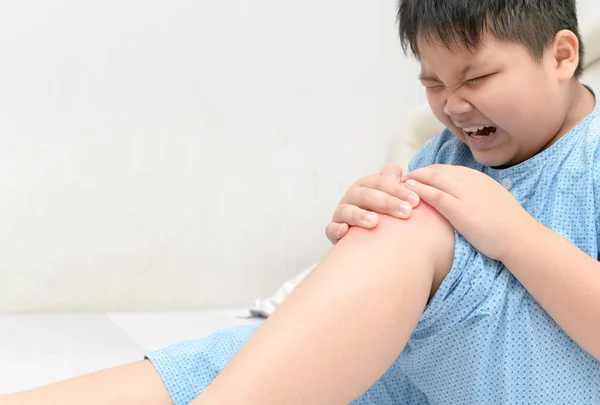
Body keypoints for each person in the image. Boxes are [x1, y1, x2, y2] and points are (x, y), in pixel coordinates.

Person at [3, 0, 600, 403]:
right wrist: (365, 243)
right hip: (422, 376)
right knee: (234, 359)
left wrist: (513, 235)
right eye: (433, 84)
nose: (454, 105)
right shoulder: (445, 153)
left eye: (474, 79)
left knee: (409, 227)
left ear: (562, 56)